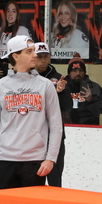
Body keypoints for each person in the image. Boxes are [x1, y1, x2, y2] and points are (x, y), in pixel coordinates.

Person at [0, 36, 62, 191]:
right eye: (29, 51)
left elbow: (56, 126)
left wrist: (50, 159)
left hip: (35, 160)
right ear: (16, 56)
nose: (35, 55)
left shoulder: (45, 86)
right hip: (5, 159)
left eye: (34, 50)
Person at [33, 42, 72, 187]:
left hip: (55, 137)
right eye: (39, 56)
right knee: (33, 181)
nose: (43, 60)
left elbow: (68, 107)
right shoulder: (28, 78)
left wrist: (60, 93)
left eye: (46, 56)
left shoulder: (59, 78)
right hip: (33, 137)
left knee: (55, 180)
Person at [66, 58, 102, 125]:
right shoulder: (63, 87)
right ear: (69, 73)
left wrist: (91, 100)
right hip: (66, 127)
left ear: (84, 72)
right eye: (74, 71)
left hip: (89, 128)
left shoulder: (93, 87)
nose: (78, 73)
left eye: (81, 70)